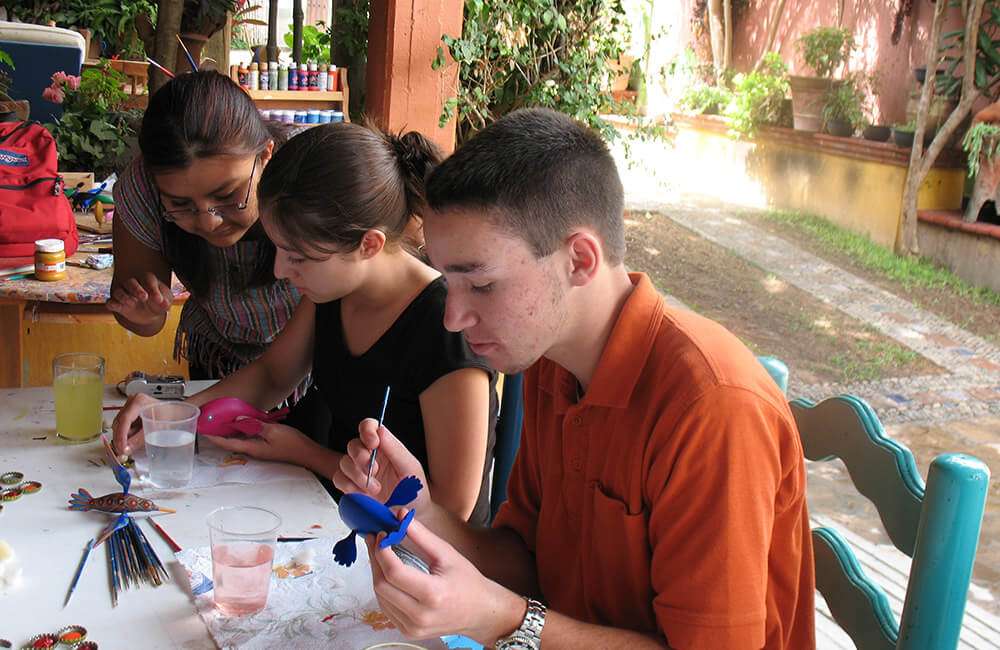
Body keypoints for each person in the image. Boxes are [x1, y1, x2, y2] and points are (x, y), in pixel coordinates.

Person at [334, 108, 815, 648]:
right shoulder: (550, 362)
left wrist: (506, 621)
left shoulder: (713, 409)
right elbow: (527, 561)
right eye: (449, 281)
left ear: (580, 260)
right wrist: (419, 511)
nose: (453, 318)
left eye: (482, 285)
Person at [113, 121, 499, 525]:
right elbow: (272, 375)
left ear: (369, 245)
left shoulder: (447, 329)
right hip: (341, 515)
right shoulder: (335, 290)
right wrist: (176, 414)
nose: (280, 269)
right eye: (279, 248)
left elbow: (451, 510)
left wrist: (305, 452)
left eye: (298, 256)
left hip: (422, 555)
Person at [107, 71, 300, 379]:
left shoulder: (311, 180)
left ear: (265, 155)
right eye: (180, 205)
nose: (210, 222)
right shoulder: (141, 191)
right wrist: (143, 313)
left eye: (227, 195)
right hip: (217, 357)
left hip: (314, 359)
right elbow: (145, 320)